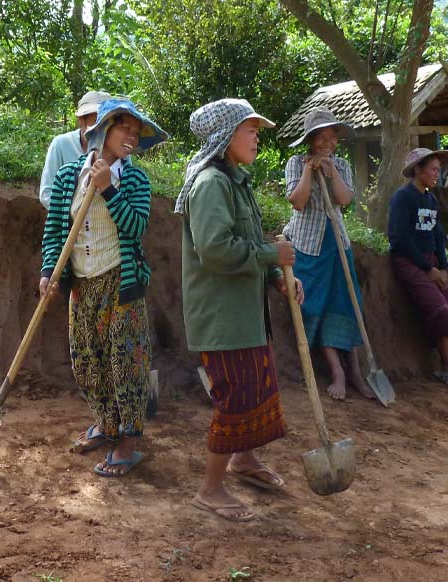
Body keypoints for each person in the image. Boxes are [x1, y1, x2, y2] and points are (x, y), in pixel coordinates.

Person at [177, 98, 302, 522]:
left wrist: (278, 278)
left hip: (245, 312)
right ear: (226, 134)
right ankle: (209, 489)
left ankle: (244, 461)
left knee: (256, 388)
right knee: (236, 396)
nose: (256, 137)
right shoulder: (211, 183)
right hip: (222, 315)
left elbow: (248, 243)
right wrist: (272, 255)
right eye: (250, 129)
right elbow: (215, 250)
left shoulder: (236, 182)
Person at [38, 98, 167, 477]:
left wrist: (109, 188)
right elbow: (55, 233)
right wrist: (51, 272)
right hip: (83, 283)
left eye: (135, 131)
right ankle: (107, 424)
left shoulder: (136, 180)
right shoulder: (66, 178)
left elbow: (135, 227)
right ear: (103, 131)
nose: (130, 135)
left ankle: (128, 441)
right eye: (123, 127)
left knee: (125, 363)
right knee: (86, 362)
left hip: (120, 281)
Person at [281, 107, 371, 402]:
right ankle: (337, 373)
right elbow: (298, 201)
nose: (329, 143)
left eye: (333, 137)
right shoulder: (295, 163)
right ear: (311, 139)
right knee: (312, 305)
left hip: (337, 244)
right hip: (307, 244)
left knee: (347, 304)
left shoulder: (341, 165)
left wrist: (331, 172)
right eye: (323, 137)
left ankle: (354, 371)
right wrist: (309, 170)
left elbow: (344, 199)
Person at [387, 147, 448, 390]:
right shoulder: (403, 198)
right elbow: (399, 239)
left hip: (432, 264)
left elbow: (438, 237)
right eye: (433, 169)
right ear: (418, 170)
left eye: (439, 169)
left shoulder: (431, 200)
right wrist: (428, 268)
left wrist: (444, 266)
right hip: (409, 262)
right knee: (440, 311)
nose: (437, 174)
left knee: (446, 309)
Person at [39, 90, 112, 208]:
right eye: (96, 122)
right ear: (81, 121)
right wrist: (73, 214)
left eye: (105, 124)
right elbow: (46, 194)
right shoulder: (60, 144)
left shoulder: (117, 150)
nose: (100, 129)